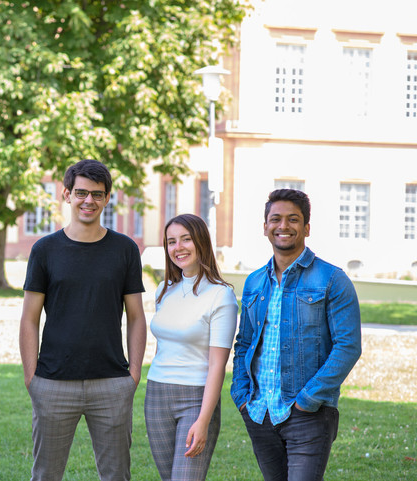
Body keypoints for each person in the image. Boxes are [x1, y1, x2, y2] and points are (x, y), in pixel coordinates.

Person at [19, 158, 147, 481]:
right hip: (52, 382)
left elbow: (136, 316)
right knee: (46, 474)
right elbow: (29, 318)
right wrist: (31, 377)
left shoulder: (125, 250)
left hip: (112, 383)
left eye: (97, 194)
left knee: (117, 475)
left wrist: (132, 375)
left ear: (107, 199)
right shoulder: (44, 250)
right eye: (81, 193)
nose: (88, 200)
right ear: (66, 195)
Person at [231, 188, 362, 481]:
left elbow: (348, 347)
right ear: (265, 226)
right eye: (275, 219)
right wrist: (241, 393)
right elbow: (244, 344)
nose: (283, 226)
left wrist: (307, 399)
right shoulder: (254, 282)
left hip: (308, 414)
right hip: (259, 412)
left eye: (293, 219)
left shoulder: (332, 279)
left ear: (306, 227)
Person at [145, 214, 238, 481]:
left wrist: (204, 419)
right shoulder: (164, 290)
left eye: (186, 239)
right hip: (157, 396)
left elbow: (217, 365)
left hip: (195, 400)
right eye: (171, 241)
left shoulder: (221, 295)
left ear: (201, 242)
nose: (178, 247)